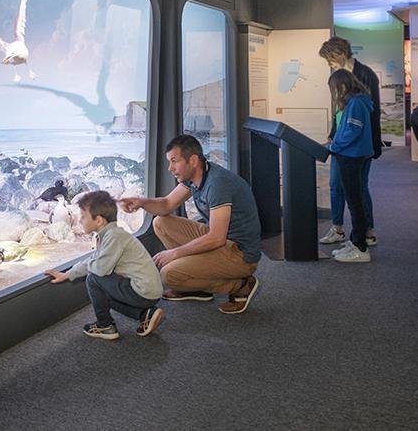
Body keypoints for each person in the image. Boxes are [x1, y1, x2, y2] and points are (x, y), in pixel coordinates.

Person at [119, 135, 262, 314]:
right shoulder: (196, 176)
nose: (170, 168)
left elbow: (217, 238)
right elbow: (166, 205)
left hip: (239, 253)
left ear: (193, 160)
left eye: (174, 161)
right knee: (161, 222)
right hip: (221, 240)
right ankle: (197, 286)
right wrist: (141, 202)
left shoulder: (217, 184)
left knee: (168, 274)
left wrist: (175, 254)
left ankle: (240, 285)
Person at [45, 190, 163, 340]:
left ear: (99, 220)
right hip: (147, 290)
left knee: (93, 279)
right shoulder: (110, 234)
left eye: (83, 217)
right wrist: (68, 274)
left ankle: (105, 325)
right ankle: (145, 315)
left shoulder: (113, 237)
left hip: (143, 291)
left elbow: (100, 269)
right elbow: (94, 259)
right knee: (103, 292)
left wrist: (90, 267)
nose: (80, 221)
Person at [318, 36, 381, 247]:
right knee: (335, 185)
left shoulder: (366, 75)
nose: (329, 65)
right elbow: (339, 111)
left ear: (341, 55)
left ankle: (367, 232)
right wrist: (332, 135)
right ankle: (338, 228)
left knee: (359, 189)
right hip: (340, 144)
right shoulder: (339, 76)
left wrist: (373, 145)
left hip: (357, 148)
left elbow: (373, 113)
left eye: (330, 60)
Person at [326, 69, 374, 263]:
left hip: (351, 156)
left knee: (355, 203)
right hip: (356, 154)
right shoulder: (358, 101)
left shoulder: (355, 103)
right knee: (356, 201)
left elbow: (353, 130)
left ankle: (361, 249)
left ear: (342, 85)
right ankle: (356, 241)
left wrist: (334, 145)